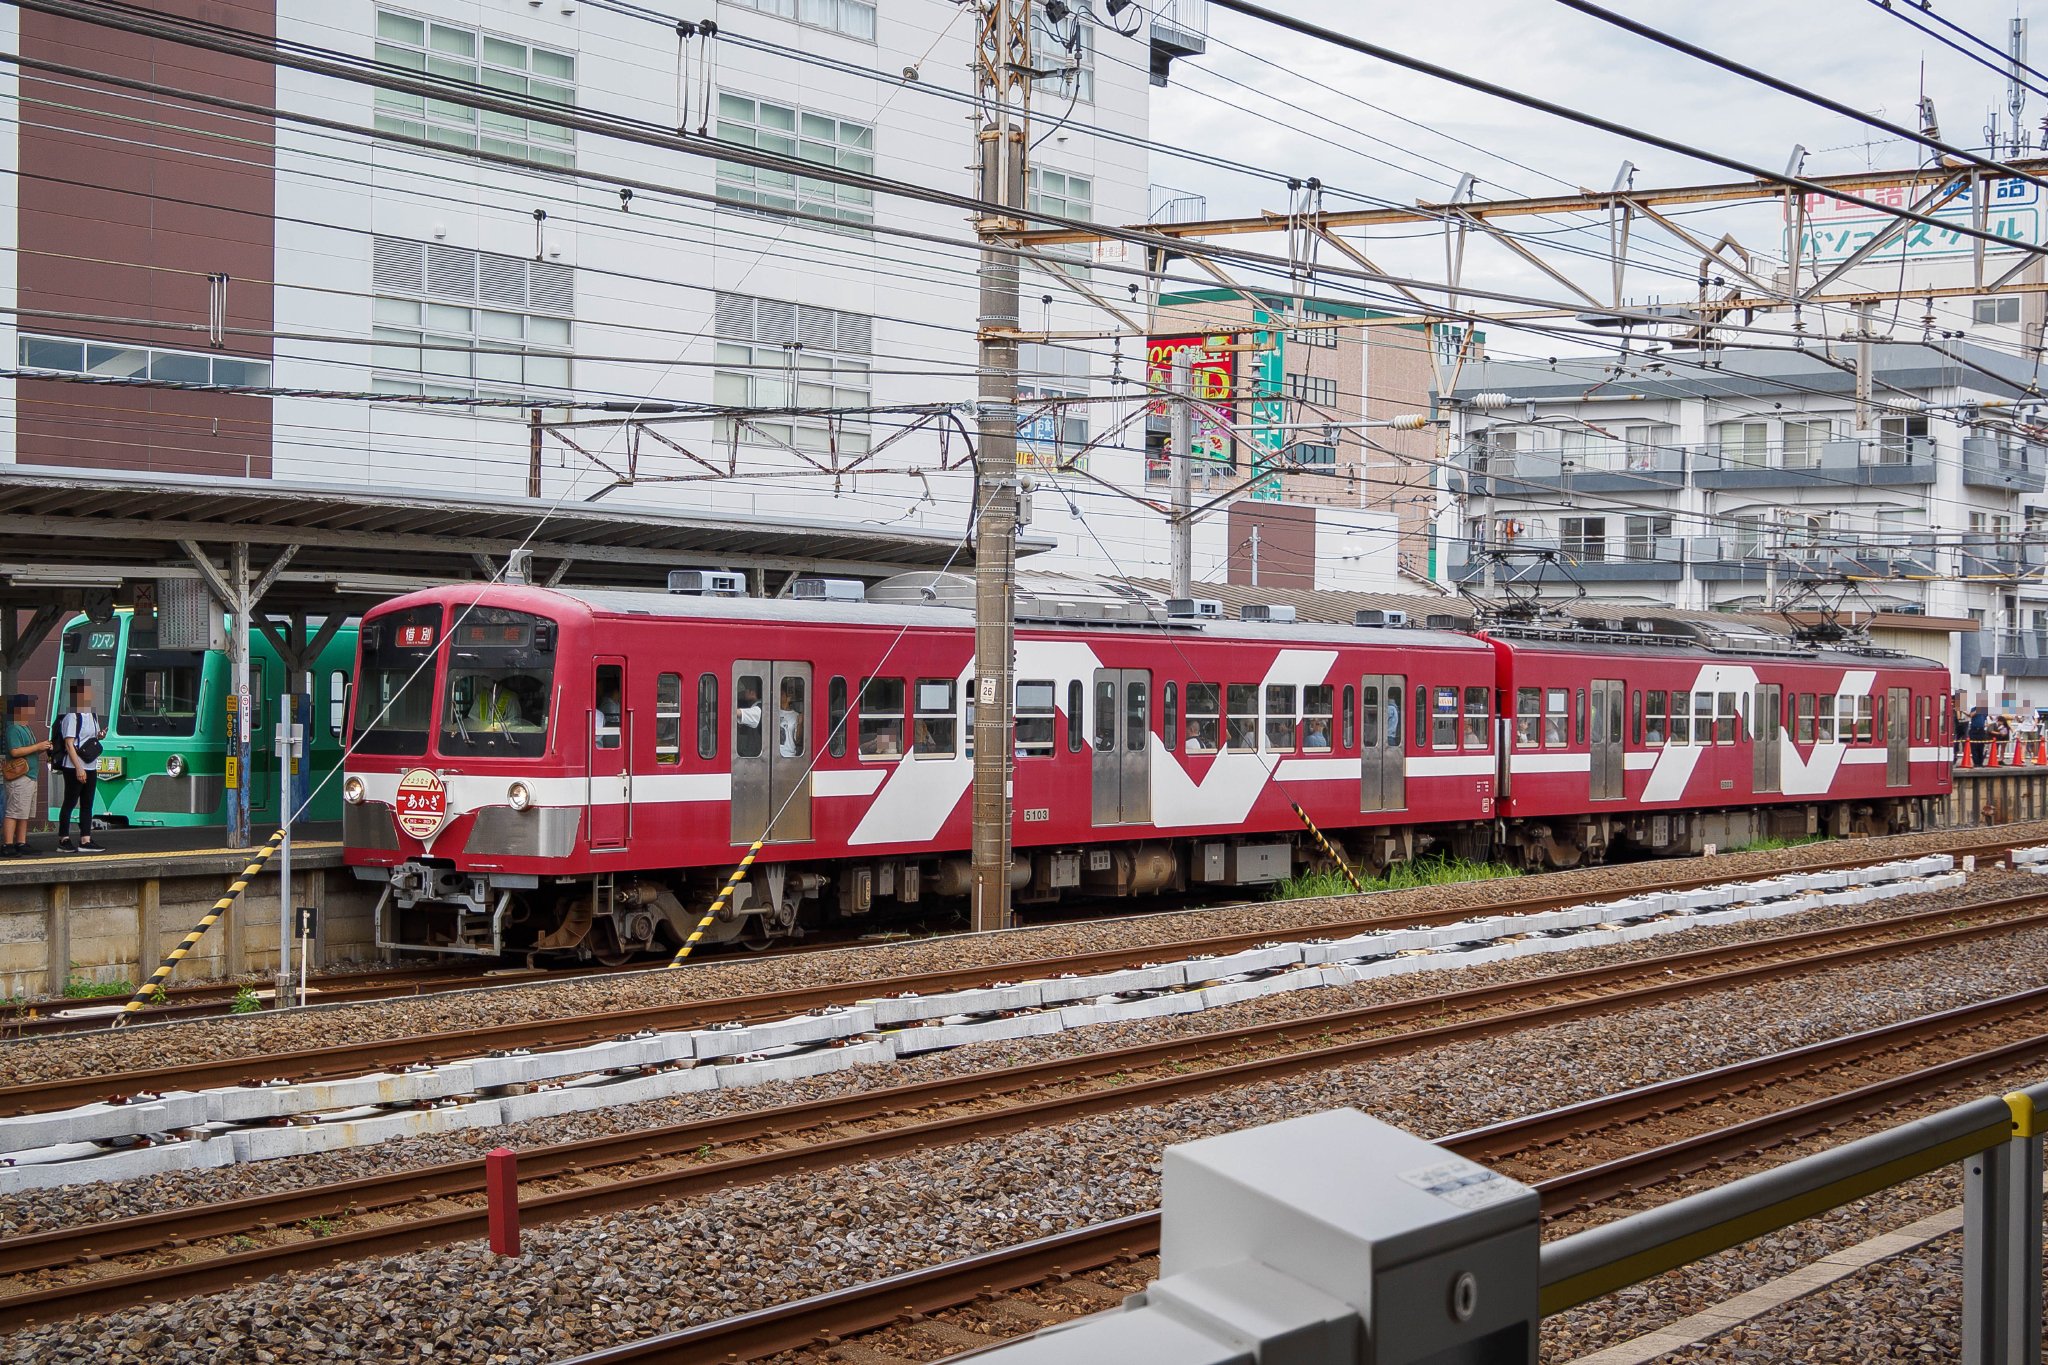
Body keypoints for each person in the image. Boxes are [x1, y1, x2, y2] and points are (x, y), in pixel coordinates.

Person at [55, 677, 106, 854]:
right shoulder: (72, 716)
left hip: (91, 765)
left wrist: (100, 736)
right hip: (73, 766)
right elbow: (69, 744)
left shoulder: (92, 715)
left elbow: (90, 738)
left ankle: (85, 839)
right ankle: (64, 838)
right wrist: (78, 768)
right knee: (69, 802)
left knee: (87, 803)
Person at [2, 694, 51, 857]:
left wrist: (41, 748)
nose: (32, 710)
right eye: (29, 707)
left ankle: (21, 842)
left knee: (24, 812)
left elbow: (28, 749)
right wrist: (38, 746)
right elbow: (14, 751)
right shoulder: (13, 728)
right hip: (19, 777)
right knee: (14, 811)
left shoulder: (26, 727)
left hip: (30, 775)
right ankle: (8, 844)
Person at [776, 679, 803, 758]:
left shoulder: (796, 716)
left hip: (788, 754)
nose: (779, 696)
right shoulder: (773, 712)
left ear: (789, 698)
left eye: (782, 694)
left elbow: (797, 740)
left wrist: (800, 724)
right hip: (774, 754)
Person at [1969, 704, 1990, 768]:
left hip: (1981, 730)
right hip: (1974, 729)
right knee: (1974, 747)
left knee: (1981, 747)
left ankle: (1980, 762)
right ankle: (1976, 763)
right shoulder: (1973, 709)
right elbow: (1971, 715)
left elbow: (1986, 719)